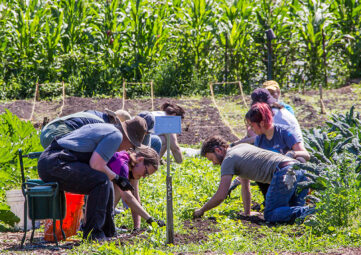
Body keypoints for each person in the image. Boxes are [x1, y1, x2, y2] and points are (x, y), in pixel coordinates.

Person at [37, 117, 147, 241]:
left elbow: (98, 165)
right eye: (132, 145)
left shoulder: (108, 129)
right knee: (101, 181)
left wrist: (116, 179)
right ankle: (93, 234)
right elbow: (96, 164)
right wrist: (117, 177)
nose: (128, 149)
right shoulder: (116, 136)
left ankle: (108, 231)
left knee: (106, 181)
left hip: (50, 160)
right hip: (55, 163)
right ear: (129, 138)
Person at [193, 135, 313, 223]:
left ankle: (314, 211)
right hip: (298, 168)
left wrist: (201, 210)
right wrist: (247, 212)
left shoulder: (229, 159)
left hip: (284, 172)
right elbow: (245, 185)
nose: (213, 163)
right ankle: (314, 211)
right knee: (295, 215)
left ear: (218, 150)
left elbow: (221, 195)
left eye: (211, 159)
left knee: (271, 214)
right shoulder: (241, 148)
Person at [229, 103, 310, 200]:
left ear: (262, 123)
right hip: (272, 178)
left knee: (301, 160)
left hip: (289, 176)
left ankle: (301, 197)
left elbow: (306, 155)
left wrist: (292, 154)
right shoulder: (259, 139)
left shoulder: (285, 133)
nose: (251, 129)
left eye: (252, 125)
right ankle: (270, 200)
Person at [107, 147, 165, 230]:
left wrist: (137, 228)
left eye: (147, 175)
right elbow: (128, 198)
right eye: (146, 172)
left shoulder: (132, 165)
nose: (144, 177)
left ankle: (106, 222)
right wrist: (150, 219)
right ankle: (104, 224)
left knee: (121, 187)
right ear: (140, 160)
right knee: (120, 188)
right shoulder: (123, 164)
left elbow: (134, 197)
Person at [40, 109, 131, 149]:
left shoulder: (96, 114)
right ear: (115, 122)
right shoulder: (103, 125)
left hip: (47, 130)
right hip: (55, 133)